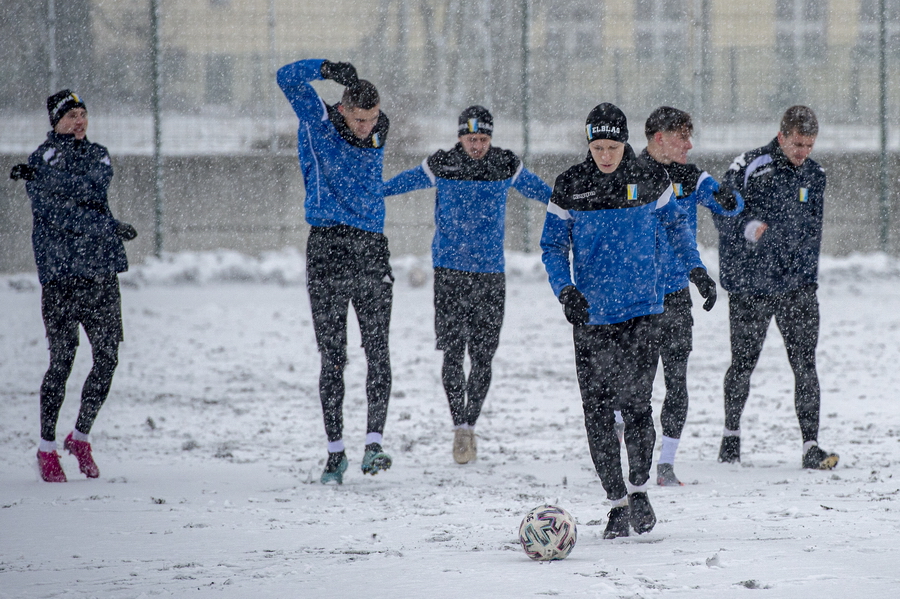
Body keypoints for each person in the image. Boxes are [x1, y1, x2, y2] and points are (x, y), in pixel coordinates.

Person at [540, 103, 717, 539]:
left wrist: (695, 269)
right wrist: (565, 290)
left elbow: (676, 227)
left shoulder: (650, 178)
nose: (605, 156)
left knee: (638, 407)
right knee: (597, 413)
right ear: (589, 145)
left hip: (643, 311)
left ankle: (639, 489)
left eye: (613, 147)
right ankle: (616, 502)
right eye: (597, 147)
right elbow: (551, 246)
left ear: (624, 143)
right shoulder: (570, 186)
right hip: (592, 317)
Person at [383, 106, 552, 464]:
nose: (477, 145)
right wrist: (372, 192)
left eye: (483, 139)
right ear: (460, 137)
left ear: (492, 138)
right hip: (450, 273)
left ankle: (470, 425)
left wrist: (575, 202)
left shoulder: (505, 164)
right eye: (471, 138)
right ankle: (459, 426)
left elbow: (539, 190)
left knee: (484, 356)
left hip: (490, 274)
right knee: (452, 352)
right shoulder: (443, 163)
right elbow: (405, 182)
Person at [9, 90, 138, 483]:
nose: (79, 121)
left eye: (83, 114)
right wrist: (109, 226)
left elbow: (90, 189)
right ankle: (47, 447)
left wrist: (47, 180)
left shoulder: (98, 154)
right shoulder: (42, 158)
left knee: (107, 358)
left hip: (99, 275)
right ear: (55, 121)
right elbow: (60, 214)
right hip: (62, 277)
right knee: (61, 362)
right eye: (71, 116)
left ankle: (80, 437)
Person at [277, 59, 394, 484]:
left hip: (371, 250)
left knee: (378, 351)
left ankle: (374, 444)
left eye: (373, 118)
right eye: (359, 119)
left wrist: (367, 115)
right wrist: (325, 67)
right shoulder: (318, 120)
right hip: (327, 247)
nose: (367, 127)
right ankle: (335, 453)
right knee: (334, 356)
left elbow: (370, 132)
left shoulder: (382, 127)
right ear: (342, 109)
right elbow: (286, 77)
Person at [712, 106, 838, 470]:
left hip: (797, 287)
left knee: (805, 365)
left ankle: (810, 445)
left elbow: (812, 230)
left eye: (810, 145)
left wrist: (805, 274)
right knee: (742, 364)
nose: (803, 152)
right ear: (782, 136)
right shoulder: (750, 165)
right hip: (752, 286)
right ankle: (731, 437)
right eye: (798, 143)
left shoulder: (815, 175)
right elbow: (722, 208)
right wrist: (750, 229)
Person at [636, 107, 744, 486]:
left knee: (676, 380)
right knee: (636, 385)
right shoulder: (628, 174)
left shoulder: (692, 176)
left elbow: (726, 204)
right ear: (659, 137)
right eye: (683, 137)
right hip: (636, 300)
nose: (690, 144)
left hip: (678, 296)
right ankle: (633, 455)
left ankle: (665, 463)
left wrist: (730, 199)